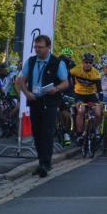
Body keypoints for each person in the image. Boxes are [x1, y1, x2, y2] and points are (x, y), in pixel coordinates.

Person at [16, 35, 70, 177]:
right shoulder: (31, 61)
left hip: (50, 101)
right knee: (37, 132)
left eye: (40, 47)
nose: (37, 50)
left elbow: (66, 82)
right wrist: (26, 93)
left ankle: (46, 163)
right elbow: (21, 80)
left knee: (47, 132)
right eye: (36, 47)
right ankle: (41, 161)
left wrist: (57, 89)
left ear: (48, 47)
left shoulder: (57, 63)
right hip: (35, 100)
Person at [69, 52, 103, 140]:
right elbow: (68, 77)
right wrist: (72, 87)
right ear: (82, 62)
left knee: (98, 113)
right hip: (79, 95)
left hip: (91, 95)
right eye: (86, 62)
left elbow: (100, 90)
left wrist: (101, 100)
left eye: (90, 62)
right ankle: (79, 134)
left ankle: (95, 130)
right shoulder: (76, 70)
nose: (88, 64)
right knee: (81, 111)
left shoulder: (95, 73)